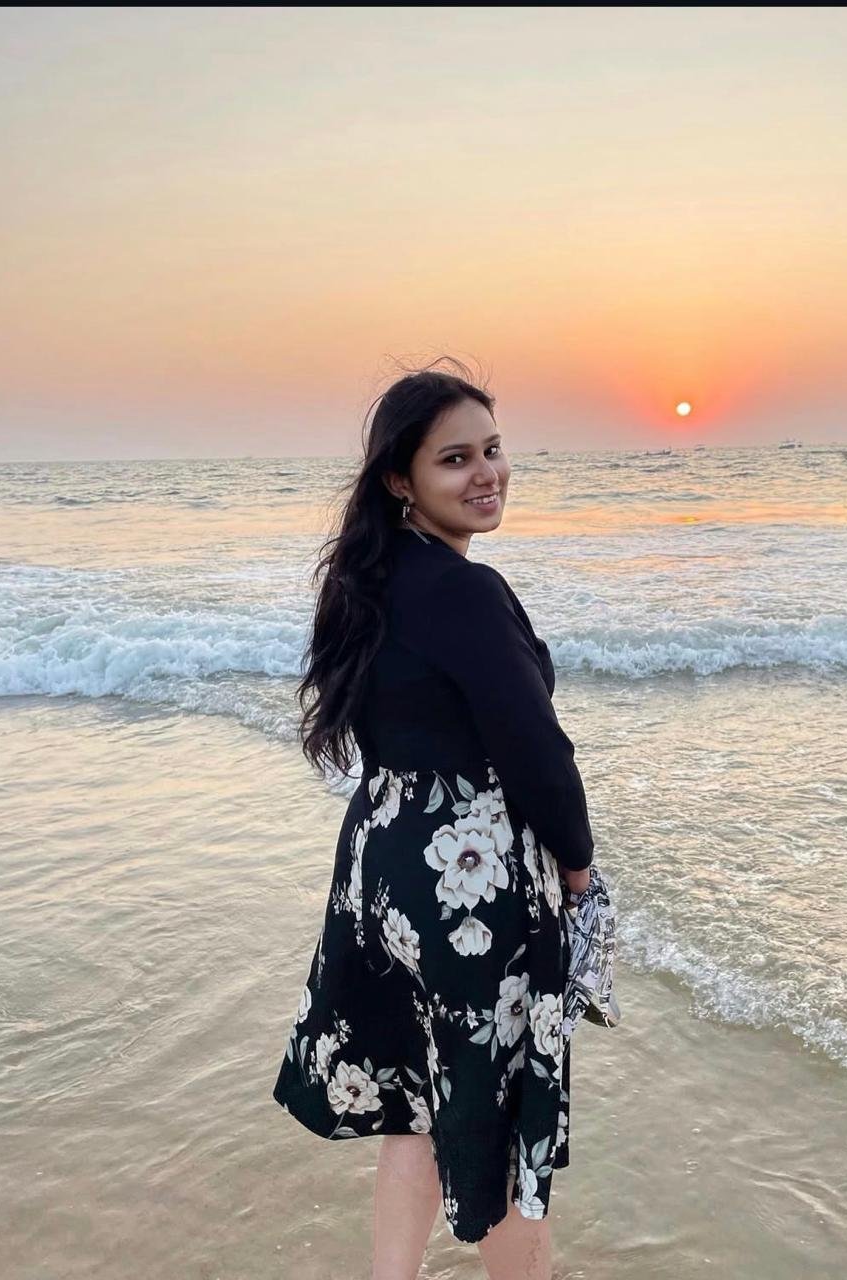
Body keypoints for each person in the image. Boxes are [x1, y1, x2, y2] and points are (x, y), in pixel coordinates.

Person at [271, 358, 597, 1280]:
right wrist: (577, 871)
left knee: (416, 1104)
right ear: (399, 479)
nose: (486, 474)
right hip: (470, 880)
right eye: (455, 459)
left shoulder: (368, 583)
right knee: (501, 1128)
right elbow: (536, 750)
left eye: (492, 450)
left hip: (383, 867)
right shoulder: (462, 590)